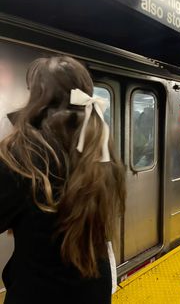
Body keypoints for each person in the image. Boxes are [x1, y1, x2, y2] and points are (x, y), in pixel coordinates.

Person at [0, 56, 126, 304]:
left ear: (38, 98)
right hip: (93, 290)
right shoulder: (101, 149)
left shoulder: (21, 157)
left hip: (38, 294)